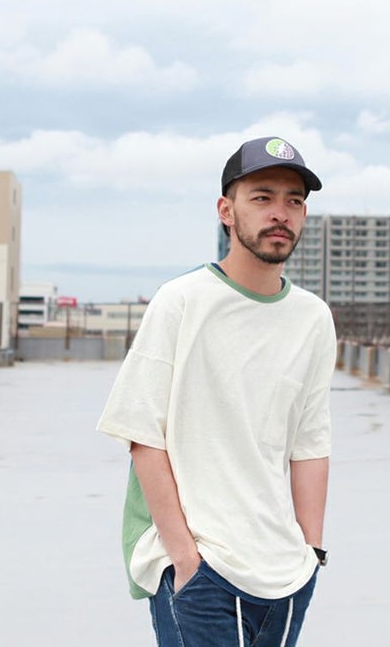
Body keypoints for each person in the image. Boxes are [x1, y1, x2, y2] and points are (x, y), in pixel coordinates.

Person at [97, 136, 337, 647]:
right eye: (262, 197)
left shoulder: (313, 318)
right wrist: (185, 558)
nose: (281, 213)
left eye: (294, 201)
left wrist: (311, 553)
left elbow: (310, 444)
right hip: (202, 571)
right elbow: (142, 435)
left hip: (285, 575)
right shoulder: (181, 301)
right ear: (226, 210)